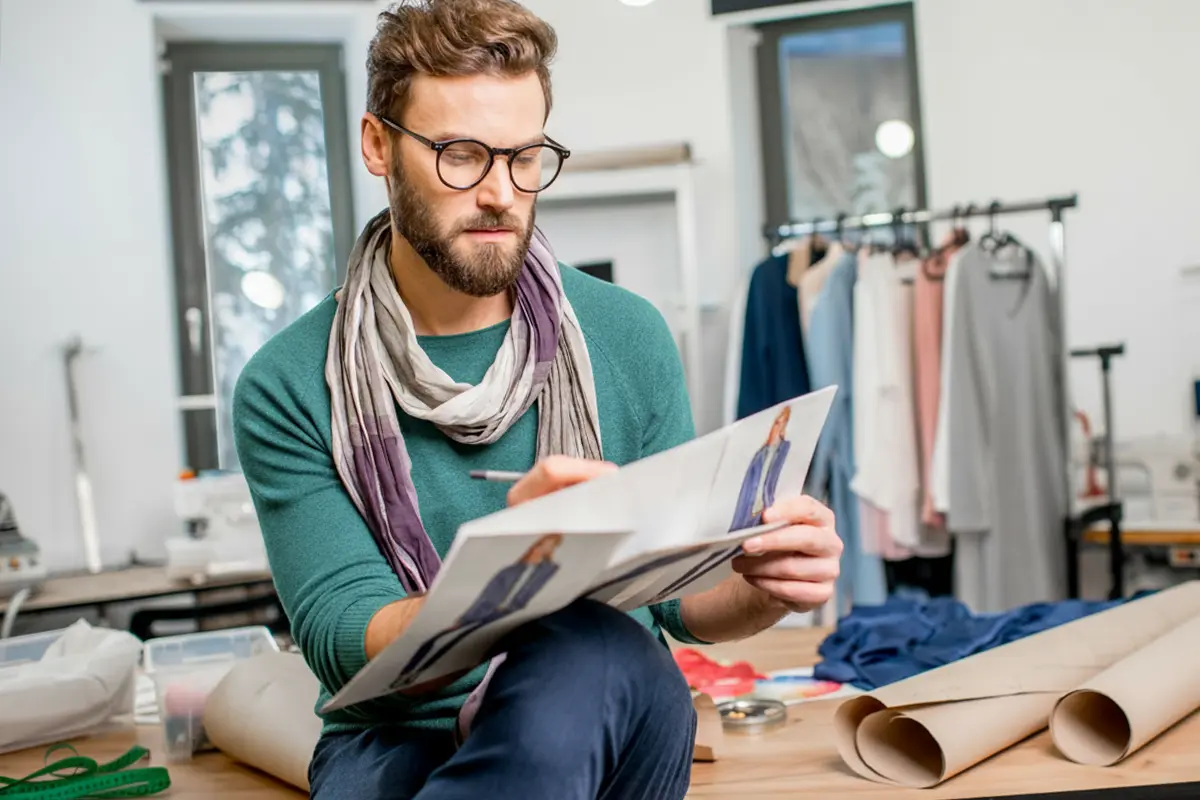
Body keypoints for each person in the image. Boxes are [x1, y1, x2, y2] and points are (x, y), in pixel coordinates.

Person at [232, 1, 842, 798]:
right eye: (461, 155)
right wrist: (514, 577)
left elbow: (677, 605)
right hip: (394, 731)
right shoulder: (286, 382)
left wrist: (762, 588)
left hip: (607, 701)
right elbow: (343, 634)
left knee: (591, 645)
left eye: (525, 157)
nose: (500, 192)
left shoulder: (628, 336)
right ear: (378, 145)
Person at [395, 533, 562, 684]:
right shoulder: (512, 565)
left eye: (548, 545)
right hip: (479, 610)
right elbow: (491, 588)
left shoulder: (549, 569)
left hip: (518, 623)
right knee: (439, 640)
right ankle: (408, 672)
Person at [730, 405, 793, 530]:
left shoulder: (784, 450)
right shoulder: (759, 455)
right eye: (776, 423)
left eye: (782, 424)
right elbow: (747, 486)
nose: (778, 428)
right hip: (749, 510)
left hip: (771, 511)